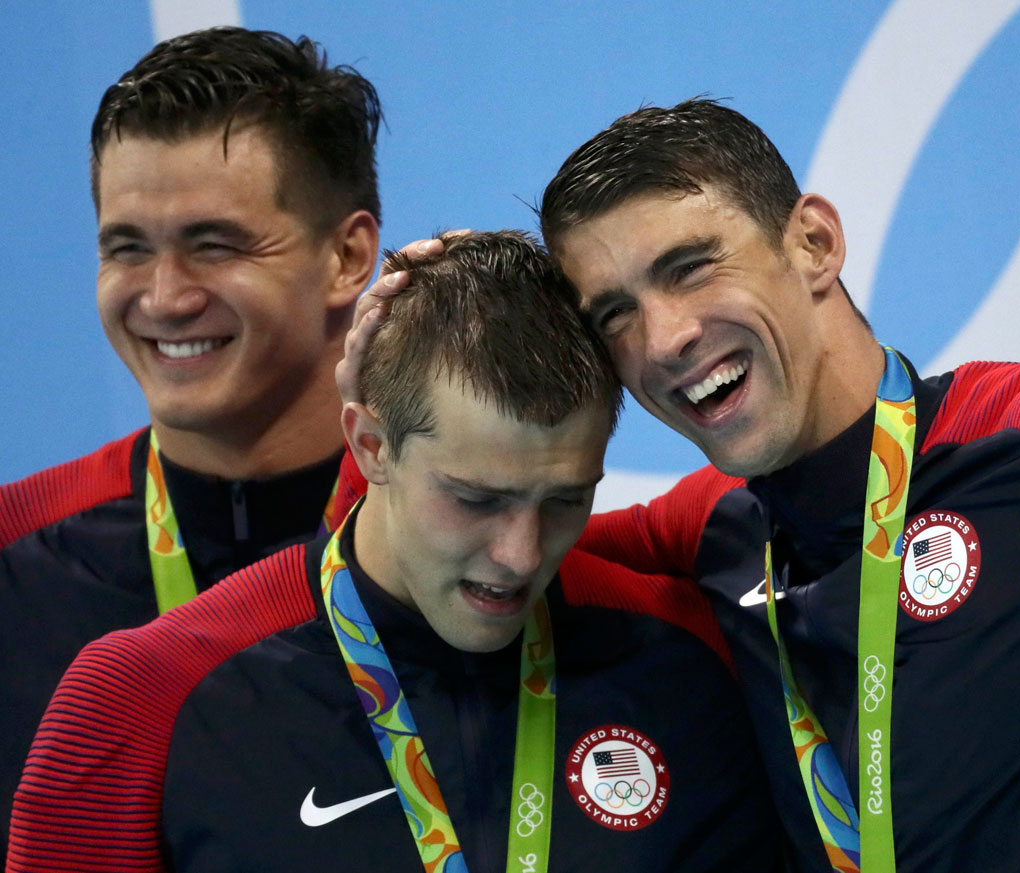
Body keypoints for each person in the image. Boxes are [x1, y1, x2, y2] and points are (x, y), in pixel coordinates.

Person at [349, 99, 1020, 871]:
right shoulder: (707, 534)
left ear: (814, 241)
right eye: (614, 314)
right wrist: (402, 382)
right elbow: (420, 561)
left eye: (690, 266)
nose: (663, 340)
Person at [8, 232, 781, 873]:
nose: (518, 554)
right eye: (475, 499)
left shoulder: (688, 653)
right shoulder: (142, 698)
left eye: (564, 499)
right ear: (370, 445)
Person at [0, 27, 380, 850]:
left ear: (348, 257)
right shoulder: (14, 563)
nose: (165, 298)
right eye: (127, 249)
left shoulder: (478, 552)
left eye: (215, 245)